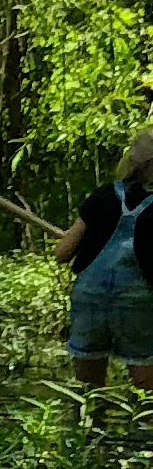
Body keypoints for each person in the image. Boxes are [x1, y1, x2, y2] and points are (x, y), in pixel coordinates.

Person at [55, 125, 153, 392]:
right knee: (146, 393)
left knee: (88, 391)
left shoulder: (102, 197)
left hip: (89, 298)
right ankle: (140, 433)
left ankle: (90, 429)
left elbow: (62, 253)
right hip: (139, 305)